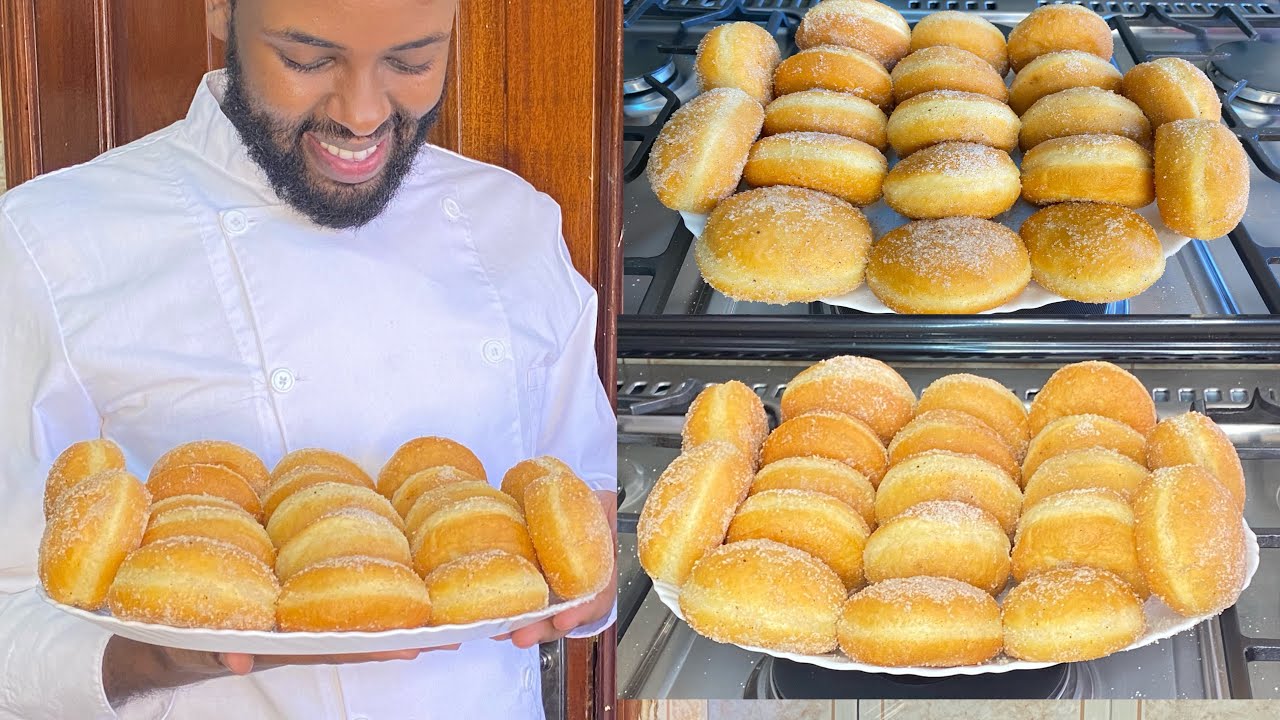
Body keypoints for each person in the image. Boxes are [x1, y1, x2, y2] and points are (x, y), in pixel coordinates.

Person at [0, 0, 617, 717]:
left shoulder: (510, 221)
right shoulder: (49, 245)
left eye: (412, 60)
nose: (360, 114)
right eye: (306, 59)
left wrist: (586, 588)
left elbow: (582, 511)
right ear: (220, 11)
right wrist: (160, 656)